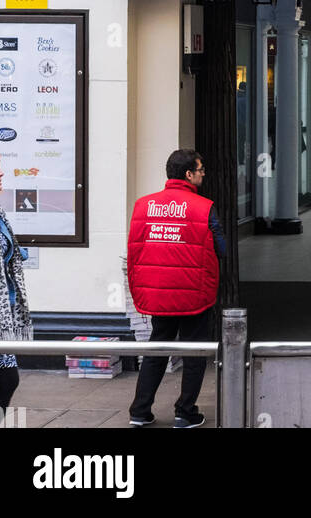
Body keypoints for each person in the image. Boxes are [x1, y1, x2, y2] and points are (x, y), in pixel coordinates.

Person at [127, 148, 226, 428]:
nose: (203, 173)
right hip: (194, 295)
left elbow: (135, 250)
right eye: (200, 169)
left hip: (158, 294)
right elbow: (221, 248)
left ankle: (139, 411)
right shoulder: (204, 207)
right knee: (193, 352)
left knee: (157, 349)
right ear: (188, 174)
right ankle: (185, 412)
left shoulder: (143, 205)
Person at [0, 150, 32, 422]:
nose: (0, 172)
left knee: (6, 380)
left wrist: (15, 253)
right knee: (5, 380)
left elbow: (1, 250)